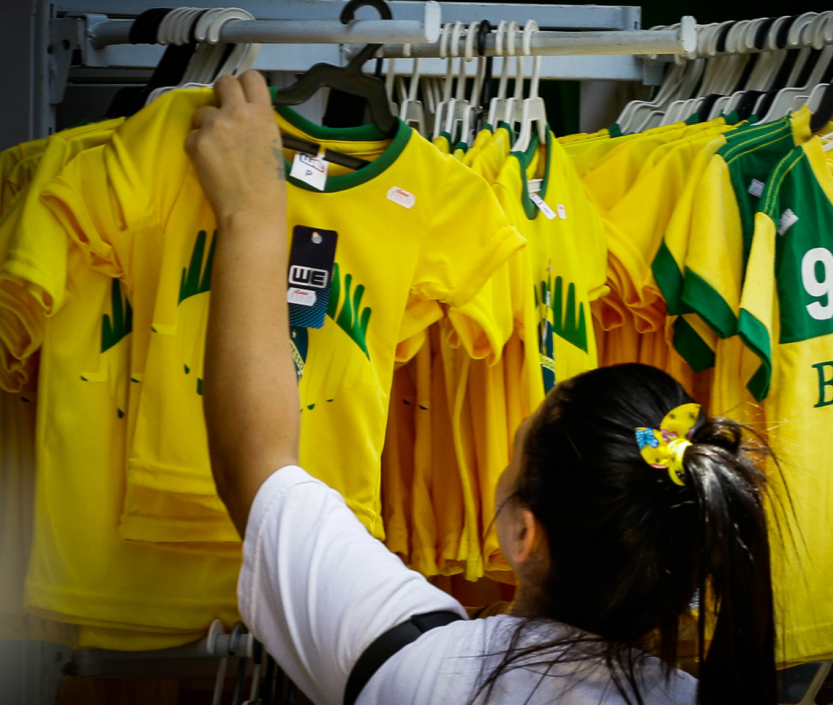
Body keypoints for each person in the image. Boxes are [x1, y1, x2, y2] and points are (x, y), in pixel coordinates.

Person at [187, 71, 780, 705]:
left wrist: (251, 211)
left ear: (524, 535)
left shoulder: (414, 666)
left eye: (515, 451)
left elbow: (257, 464)